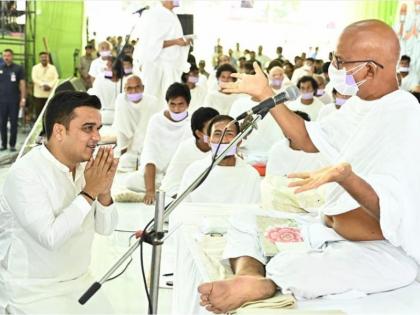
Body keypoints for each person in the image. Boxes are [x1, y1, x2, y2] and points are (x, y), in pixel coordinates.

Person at [197, 19, 420, 313]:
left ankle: (267, 283)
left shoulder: (404, 114)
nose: (334, 68)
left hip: (381, 253)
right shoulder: (361, 104)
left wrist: (345, 178)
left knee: (292, 267)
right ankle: (249, 277)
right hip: (326, 231)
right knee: (246, 220)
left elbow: (393, 211)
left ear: (369, 69)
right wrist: (266, 95)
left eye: (341, 61)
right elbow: (305, 138)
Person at [0, 91, 119, 314]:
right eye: (88, 128)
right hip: (32, 291)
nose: (96, 137)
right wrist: (90, 191)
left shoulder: (86, 167)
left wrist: (104, 191)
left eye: (98, 129)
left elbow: (106, 228)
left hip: (80, 281)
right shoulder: (25, 173)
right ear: (59, 131)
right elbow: (51, 237)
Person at [124, 82, 191, 204]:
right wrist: (150, 190)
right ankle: (167, 189)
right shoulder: (157, 120)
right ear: (167, 103)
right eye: (173, 104)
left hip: (179, 175)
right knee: (130, 181)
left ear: (188, 104)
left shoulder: (191, 123)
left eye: (181, 104)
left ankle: (168, 189)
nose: (176, 109)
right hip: (156, 176)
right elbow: (150, 154)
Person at [178, 115, 261, 203]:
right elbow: (181, 210)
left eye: (229, 134)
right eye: (217, 134)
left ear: (239, 141)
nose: (223, 140)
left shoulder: (250, 175)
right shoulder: (194, 171)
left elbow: (252, 212)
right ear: (209, 141)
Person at [133, 0, 191, 102]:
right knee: (155, 98)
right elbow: (152, 44)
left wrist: (183, 41)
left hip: (171, 64)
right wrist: (176, 42)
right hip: (158, 64)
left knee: (171, 98)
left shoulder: (171, 15)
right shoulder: (156, 15)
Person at [160, 107, 219, 198]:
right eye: (210, 130)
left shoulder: (224, 146)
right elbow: (170, 185)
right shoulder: (186, 149)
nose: (216, 134)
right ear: (199, 134)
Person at [113, 75, 159, 171]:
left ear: (143, 88)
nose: (133, 91)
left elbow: (156, 131)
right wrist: (122, 150)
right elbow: (121, 129)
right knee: (125, 161)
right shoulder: (121, 100)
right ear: (124, 89)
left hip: (148, 148)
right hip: (130, 149)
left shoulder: (152, 102)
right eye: (129, 88)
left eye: (137, 87)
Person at [0, 49, 26, 151]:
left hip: (14, 101)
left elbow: (22, 84)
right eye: (4, 55)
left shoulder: (18, 68)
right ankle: (3, 144)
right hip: (2, 101)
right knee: (2, 123)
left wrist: (23, 99)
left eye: (8, 55)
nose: (6, 57)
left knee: (14, 123)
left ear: (12, 56)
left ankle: (12, 145)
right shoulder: (0, 68)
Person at [88, 57, 122, 125]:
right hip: (117, 116)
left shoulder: (100, 78)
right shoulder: (100, 78)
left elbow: (93, 96)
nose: (105, 68)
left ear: (115, 70)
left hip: (104, 116)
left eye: (108, 66)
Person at [31, 51, 59, 118]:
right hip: (39, 95)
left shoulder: (53, 68)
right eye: (42, 57)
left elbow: (56, 78)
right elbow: (34, 78)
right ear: (39, 59)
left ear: (48, 58)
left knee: (49, 113)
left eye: (45, 57)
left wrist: (50, 85)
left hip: (50, 95)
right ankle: (39, 128)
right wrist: (43, 85)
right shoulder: (35, 68)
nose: (44, 59)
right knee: (39, 114)